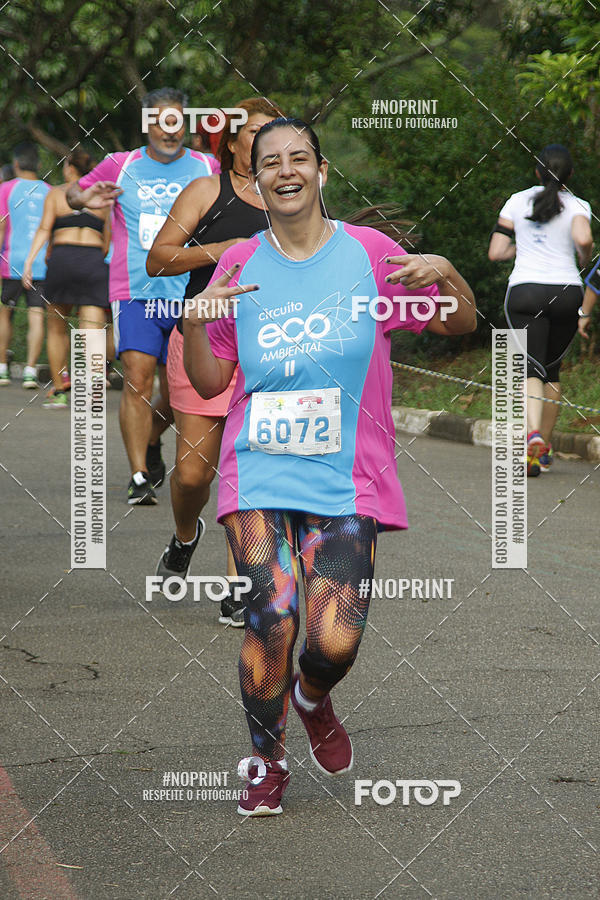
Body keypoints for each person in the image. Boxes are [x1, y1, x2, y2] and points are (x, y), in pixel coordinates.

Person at [182, 117, 477, 816]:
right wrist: (197, 318)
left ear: (320, 171)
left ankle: (314, 698)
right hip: (256, 466)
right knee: (272, 617)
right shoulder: (239, 264)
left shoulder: (369, 254)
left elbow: (458, 323)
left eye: (300, 158)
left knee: (335, 639)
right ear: (253, 181)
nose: (286, 171)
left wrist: (448, 273)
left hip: (348, 475)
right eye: (270, 162)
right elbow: (209, 374)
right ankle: (266, 760)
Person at [147, 97, 282, 627]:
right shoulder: (207, 191)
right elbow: (160, 260)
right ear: (231, 141)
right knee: (191, 473)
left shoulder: (292, 195)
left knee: (244, 466)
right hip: (202, 336)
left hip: (266, 342)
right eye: (255, 132)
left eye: (277, 131)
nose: (268, 140)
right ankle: (185, 535)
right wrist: (224, 247)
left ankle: (238, 586)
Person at [66, 87, 220, 504]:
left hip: (192, 291)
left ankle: (152, 437)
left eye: (176, 122)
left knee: (180, 390)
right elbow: (74, 193)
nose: (169, 132)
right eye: (160, 122)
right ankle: (137, 475)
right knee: (138, 375)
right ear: (147, 123)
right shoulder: (121, 164)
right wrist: (85, 198)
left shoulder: (208, 166)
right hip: (136, 290)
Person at [489, 144, 593, 475]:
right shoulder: (578, 204)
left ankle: (531, 435)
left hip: (524, 292)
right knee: (552, 369)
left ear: (536, 172)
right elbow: (585, 238)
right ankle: (542, 450)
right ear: (570, 174)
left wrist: (522, 247)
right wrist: (583, 257)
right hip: (566, 293)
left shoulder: (518, 201)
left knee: (529, 368)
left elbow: (495, 251)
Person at [22, 148, 111, 408]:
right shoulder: (102, 195)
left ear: (70, 169)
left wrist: (29, 262)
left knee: (56, 329)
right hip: (93, 261)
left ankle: (60, 390)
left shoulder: (57, 193)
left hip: (62, 259)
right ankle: (92, 391)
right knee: (92, 330)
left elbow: (43, 229)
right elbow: (108, 242)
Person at [0, 142, 50, 388]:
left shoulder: (6, 189)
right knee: (36, 316)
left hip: (11, 262)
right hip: (41, 263)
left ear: (16, 163)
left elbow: (1, 227)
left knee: (5, 313)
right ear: (38, 165)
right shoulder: (51, 190)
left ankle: (2, 369)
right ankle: (30, 370)